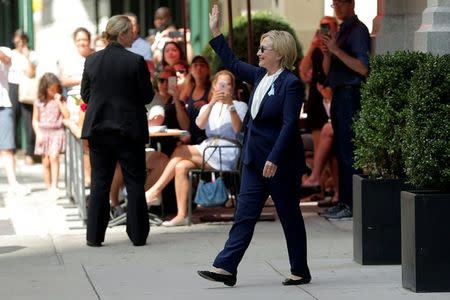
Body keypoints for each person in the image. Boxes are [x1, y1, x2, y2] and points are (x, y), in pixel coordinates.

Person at [197, 5, 311, 287]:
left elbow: (288, 125)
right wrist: (215, 32)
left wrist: (274, 158)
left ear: (280, 54)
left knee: (289, 216)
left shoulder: (291, 84)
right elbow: (233, 63)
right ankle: (225, 267)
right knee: (244, 215)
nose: (259, 53)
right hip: (253, 160)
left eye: (264, 49)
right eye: (260, 48)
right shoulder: (260, 76)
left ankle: (300, 270)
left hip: (279, 162)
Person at [80, 15, 154, 247]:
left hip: (99, 128)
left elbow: (85, 95)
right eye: (131, 31)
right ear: (121, 34)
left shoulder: (92, 60)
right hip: (128, 130)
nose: (134, 35)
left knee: (100, 182)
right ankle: (138, 235)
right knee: (134, 181)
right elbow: (147, 96)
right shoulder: (135, 61)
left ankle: (94, 236)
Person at [145, 70, 247, 227]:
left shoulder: (240, 106)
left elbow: (238, 128)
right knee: (180, 165)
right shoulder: (208, 106)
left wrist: (230, 106)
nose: (224, 88)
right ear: (214, 87)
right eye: (220, 84)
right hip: (208, 148)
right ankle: (182, 215)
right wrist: (212, 103)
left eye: (227, 85)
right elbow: (199, 124)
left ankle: (155, 190)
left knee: (180, 150)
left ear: (232, 88)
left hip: (227, 150)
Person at [320, 0, 370, 220]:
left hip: (351, 92)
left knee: (349, 150)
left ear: (351, 3)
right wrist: (328, 53)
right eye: (334, 5)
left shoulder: (358, 30)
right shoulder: (340, 31)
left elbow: (362, 67)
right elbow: (327, 72)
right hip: (339, 93)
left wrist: (336, 50)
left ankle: (353, 204)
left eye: (340, 3)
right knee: (340, 150)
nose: (337, 8)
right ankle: (343, 201)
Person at [32, 73, 70, 197]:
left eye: (56, 89)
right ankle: (48, 187)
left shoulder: (60, 100)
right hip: (43, 133)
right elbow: (35, 120)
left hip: (57, 132)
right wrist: (38, 133)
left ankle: (55, 185)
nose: (54, 92)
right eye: (51, 90)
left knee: (54, 157)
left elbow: (67, 115)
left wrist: (59, 102)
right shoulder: (38, 102)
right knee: (46, 161)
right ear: (44, 88)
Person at [1, 46, 30, 196]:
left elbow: (7, 60)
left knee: (7, 148)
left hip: (3, 105)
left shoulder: (4, 50)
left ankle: (13, 183)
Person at [8, 29, 39, 164]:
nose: (19, 43)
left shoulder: (32, 54)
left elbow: (32, 73)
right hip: (13, 87)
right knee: (12, 120)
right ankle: (11, 151)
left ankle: (29, 152)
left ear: (26, 41)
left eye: (22, 40)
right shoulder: (10, 54)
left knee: (28, 121)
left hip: (27, 89)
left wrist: (27, 56)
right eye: (17, 40)